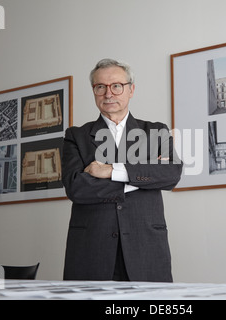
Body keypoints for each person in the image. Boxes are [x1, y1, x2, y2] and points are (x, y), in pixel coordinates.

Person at [62, 58, 183, 282]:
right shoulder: (75, 136)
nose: (109, 94)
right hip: (92, 250)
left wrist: (111, 171)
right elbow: (76, 188)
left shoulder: (156, 131)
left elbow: (170, 174)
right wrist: (144, 176)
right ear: (94, 91)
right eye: (100, 87)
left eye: (116, 86)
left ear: (131, 90)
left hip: (145, 247)